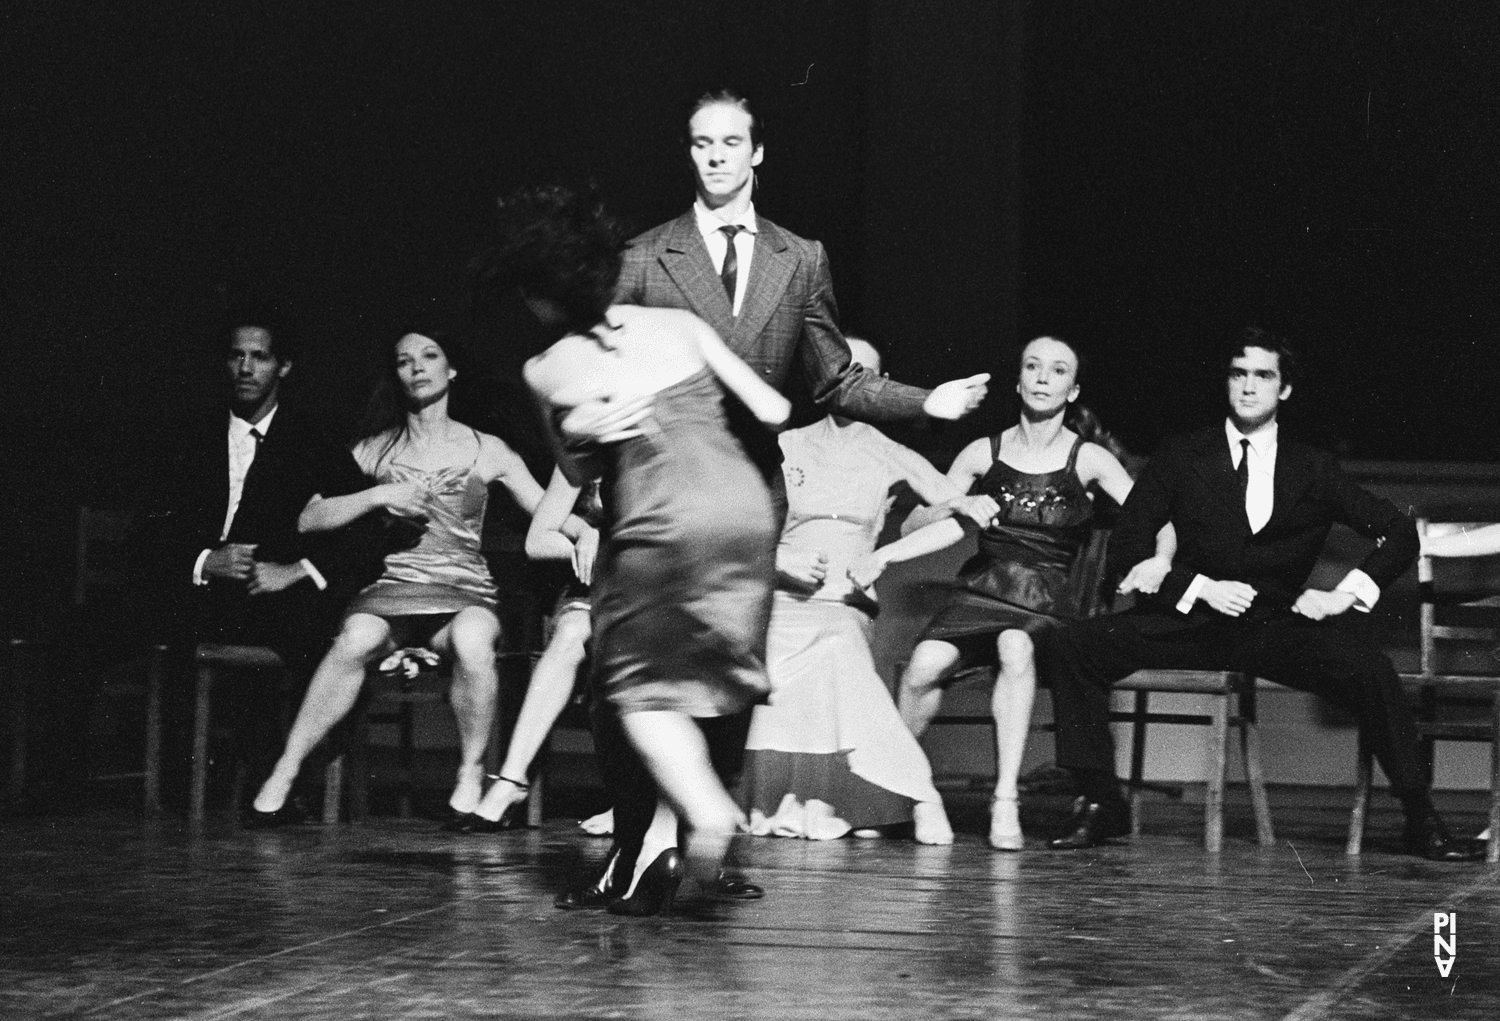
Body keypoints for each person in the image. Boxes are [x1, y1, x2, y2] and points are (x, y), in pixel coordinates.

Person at [561, 86, 990, 907]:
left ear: (757, 154)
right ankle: (628, 851)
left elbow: (835, 378)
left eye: (731, 143)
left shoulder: (801, 257)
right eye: (701, 143)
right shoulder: (647, 254)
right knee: (631, 680)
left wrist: (925, 402)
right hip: (656, 496)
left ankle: (698, 853)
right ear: (689, 153)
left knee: (724, 679)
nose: (716, 156)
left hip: (745, 506)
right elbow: (601, 369)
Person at [1040, 327, 1484, 861]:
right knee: (1073, 647)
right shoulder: (1182, 455)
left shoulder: (1312, 467)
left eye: (1263, 376)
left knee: (1370, 669)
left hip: (1272, 628)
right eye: (1238, 374)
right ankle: (1098, 802)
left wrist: (1342, 595)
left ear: (1284, 390)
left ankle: (1420, 817)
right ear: (1227, 383)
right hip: (1189, 625)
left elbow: (1399, 531)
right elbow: (1129, 547)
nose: (1249, 387)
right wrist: (1199, 586)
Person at [481, 183, 794, 913]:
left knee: (633, 688)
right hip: (746, 511)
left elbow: (579, 469)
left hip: (661, 516)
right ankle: (667, 837)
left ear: (536, 294)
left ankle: (701, 815)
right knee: (710, 680)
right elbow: (774, 408)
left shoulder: (544, 367)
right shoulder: (679, 322)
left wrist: (592, 425)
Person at [249, 330, 578, 825]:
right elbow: (308, 517)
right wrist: (376, 497)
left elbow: (546, 513)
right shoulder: (373, 449)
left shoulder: (486, 448)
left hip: (464, 590)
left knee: (472, 641)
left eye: (429, 357)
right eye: (404, 361)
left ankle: (470, 775)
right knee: (355, 637)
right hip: (390, 588)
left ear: (452, 370)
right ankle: (286, 770)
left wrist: (594, 532)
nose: (417, 368)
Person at [895, 336, 1166, 850]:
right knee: (924, 664)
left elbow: (1154, 519)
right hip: (982, 589)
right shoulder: (983, 451)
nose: (1043, 377)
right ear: (1018, 381)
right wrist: (958, 504)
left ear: (1072, 388)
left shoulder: (1089, 458)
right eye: (1033, 367)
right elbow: (913, 522)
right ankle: (904, 790)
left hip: (1049, 597)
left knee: (1014, 647)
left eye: (1058, 370)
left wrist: (1160, 560)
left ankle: (1005, 800)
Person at [740, 338, 979, 844]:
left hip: (844, 605)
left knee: (839, 647)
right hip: (778, 599)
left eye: (865, 377)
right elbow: (740, 530)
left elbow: (966, 515)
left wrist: (884, 556)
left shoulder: (889, 452)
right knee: (755, 656)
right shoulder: (787, 444)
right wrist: (780, 562)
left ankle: (920, 792)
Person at [154, 314, 371, 802]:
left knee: (323, 635)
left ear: (284, 366)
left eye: (260, 357)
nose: (246, 368)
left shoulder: (313, 439)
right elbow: (150, 531)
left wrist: (298, 570)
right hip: (195, 594)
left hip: (272, 598)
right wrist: (204, 561)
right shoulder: (190, 436)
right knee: (88, 627)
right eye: (236, 355)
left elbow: (364, 530)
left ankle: (287, 782)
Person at [457, 469, 601, 831]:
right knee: (569, 631)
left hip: (663, 587)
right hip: (598, 587)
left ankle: (640, 806)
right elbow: (536, 540)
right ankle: (511, 779)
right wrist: (585, 541)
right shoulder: (581, 453)